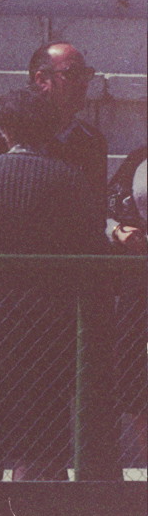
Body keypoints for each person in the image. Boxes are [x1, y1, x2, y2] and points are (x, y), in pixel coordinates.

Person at [0, 91, 108, 516]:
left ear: (4, 129)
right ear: (50, 129)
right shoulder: (68, 178)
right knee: (38, 422)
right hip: (45, 318)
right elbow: (91, 246)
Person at [0, 42, 107, 190]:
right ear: (41, 80)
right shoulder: (6, 140)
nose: (83, 83)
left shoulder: (92, 142)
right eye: (72, 74)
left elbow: (96, 202)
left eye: (85, 74)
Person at [106, 144, 147, 461]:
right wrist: (118, 230)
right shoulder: (138, 158)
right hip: (138, 285)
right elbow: (104, 210)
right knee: (136, 380)